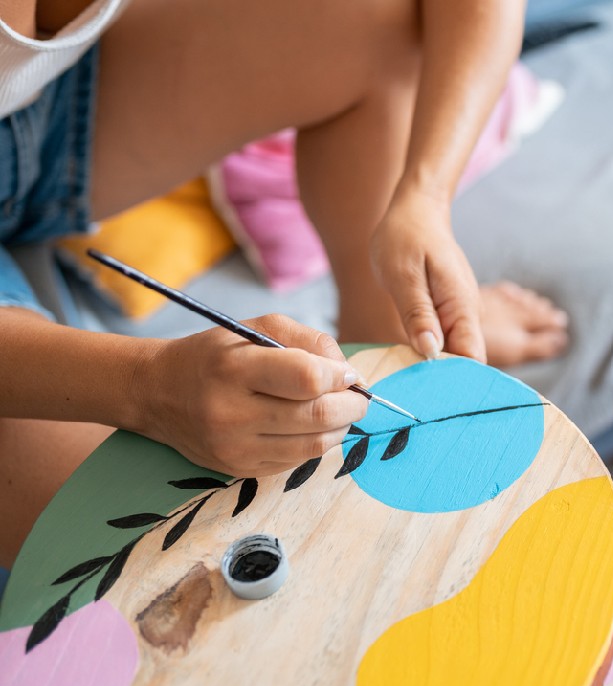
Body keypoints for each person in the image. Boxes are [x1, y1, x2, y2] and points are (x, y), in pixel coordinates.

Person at [0, 0, 569, 569]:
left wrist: (423, 198)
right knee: (156, 549)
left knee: (380, 20)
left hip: (38, 106)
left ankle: (389, 336)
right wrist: (150, 388)